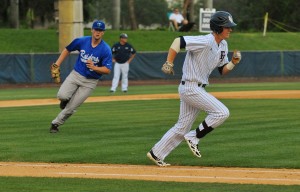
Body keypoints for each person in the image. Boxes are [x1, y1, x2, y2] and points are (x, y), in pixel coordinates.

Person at [147, 11, 242, 166]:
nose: (230, 29)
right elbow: (178, 41)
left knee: (182, 127)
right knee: (221, 112)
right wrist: (169, 62)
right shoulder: (205, 40)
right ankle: (194, 137)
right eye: (227, 27)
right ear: (218, 27)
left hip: (197, 88)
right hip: (191, 87)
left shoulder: (223, 45)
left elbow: (222, 70)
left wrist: (233, 63)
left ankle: (156, 153)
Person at [49, 20, 112, 133]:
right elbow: (67, 49)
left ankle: (55, 124)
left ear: (103, 33)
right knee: (62, 95)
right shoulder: (82, 41)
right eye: (96, 29)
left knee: (72, 108)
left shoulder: (106, 49)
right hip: (76, 74)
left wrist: (95, 67)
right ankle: (65, 100)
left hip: (90, 82)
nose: (98, 32)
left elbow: (107, 70)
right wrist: (57, 63)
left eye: (100, 30)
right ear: (92, 30)